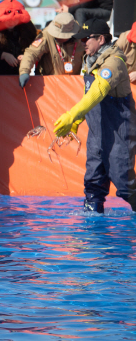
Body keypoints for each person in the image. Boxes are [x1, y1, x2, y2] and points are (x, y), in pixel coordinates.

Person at [54, 19, 136, 213]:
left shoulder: (114, 62)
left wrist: (72, 114)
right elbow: (88, 94)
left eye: (85, 39)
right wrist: (77, 121)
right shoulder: (90, 60)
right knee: (93, 183)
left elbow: (98, 91)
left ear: (100, 39)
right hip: (97, 133)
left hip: (119, 131)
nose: (82, 43)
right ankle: (93, 231)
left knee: (124, 183)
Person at [18, 13, 84, 87]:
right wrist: (24, 71)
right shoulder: (45, 35)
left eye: (60, 35)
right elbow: (32, 53)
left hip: (72, 85)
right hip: (49, 85)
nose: (57, 36)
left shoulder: (81, 36)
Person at [0, 0, 37, 76]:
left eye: (15, 19)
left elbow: (35, 49)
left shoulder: (28, 29)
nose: (11, 22)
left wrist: (26, 56)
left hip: (19, 74)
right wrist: (2, 55)